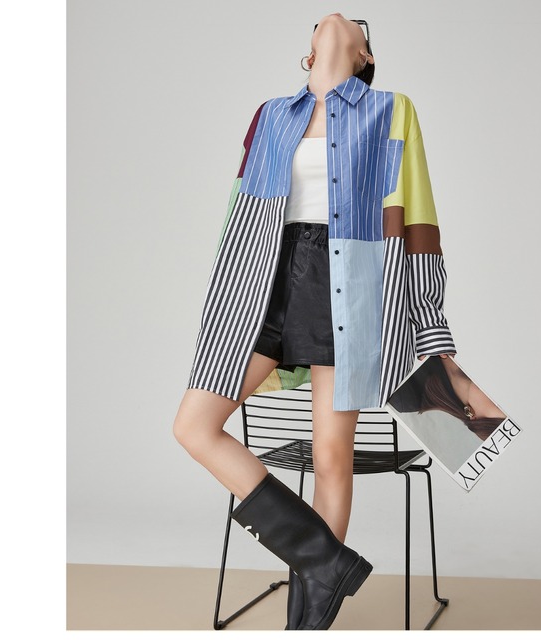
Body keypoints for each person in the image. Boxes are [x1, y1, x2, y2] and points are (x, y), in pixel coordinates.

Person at [172, 13, 456, 631]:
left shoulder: (391, 109)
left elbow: (418, 215)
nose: (335, 21)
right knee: (194, 427)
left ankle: (306, 623)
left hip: (347, 285)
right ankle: (328, 562)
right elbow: (241, 209)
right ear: (308, 54)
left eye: (356, 27)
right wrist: (224, 292)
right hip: (265, 280)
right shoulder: (272, 115)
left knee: (330, 457)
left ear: (364, 55)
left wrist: (430, 320)